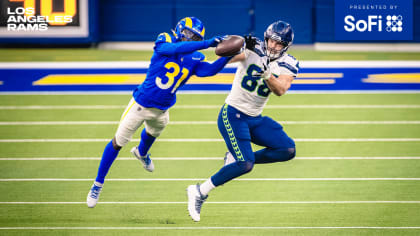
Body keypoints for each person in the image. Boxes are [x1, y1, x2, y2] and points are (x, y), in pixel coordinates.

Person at [87, 17, 233, 208]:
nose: (191, 39)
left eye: (195, 37)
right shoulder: (165, 38)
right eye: (189, 34)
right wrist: (206, 43)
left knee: (152, 133)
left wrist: (229, 54)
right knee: (118, 142)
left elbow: (210, 71)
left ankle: (141, 153)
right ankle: (97, 184)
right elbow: (170, 50)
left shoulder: (196, 56)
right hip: (141, 105)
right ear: (180, 29)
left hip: (163, 110)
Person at [187, 20, 299, 221]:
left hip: (254, 118)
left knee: (287, 150)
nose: (273, 46)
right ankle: (199, 191)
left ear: (286, 46)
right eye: (271, 41)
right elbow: (221, 55)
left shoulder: (289, 63)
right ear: (265, 38)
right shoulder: (253, 48)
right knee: (245, 164)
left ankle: (234, 160)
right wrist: (236, 45)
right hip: (233, 114)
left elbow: (280, 89)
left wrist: (267, 75)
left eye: (279, 43)